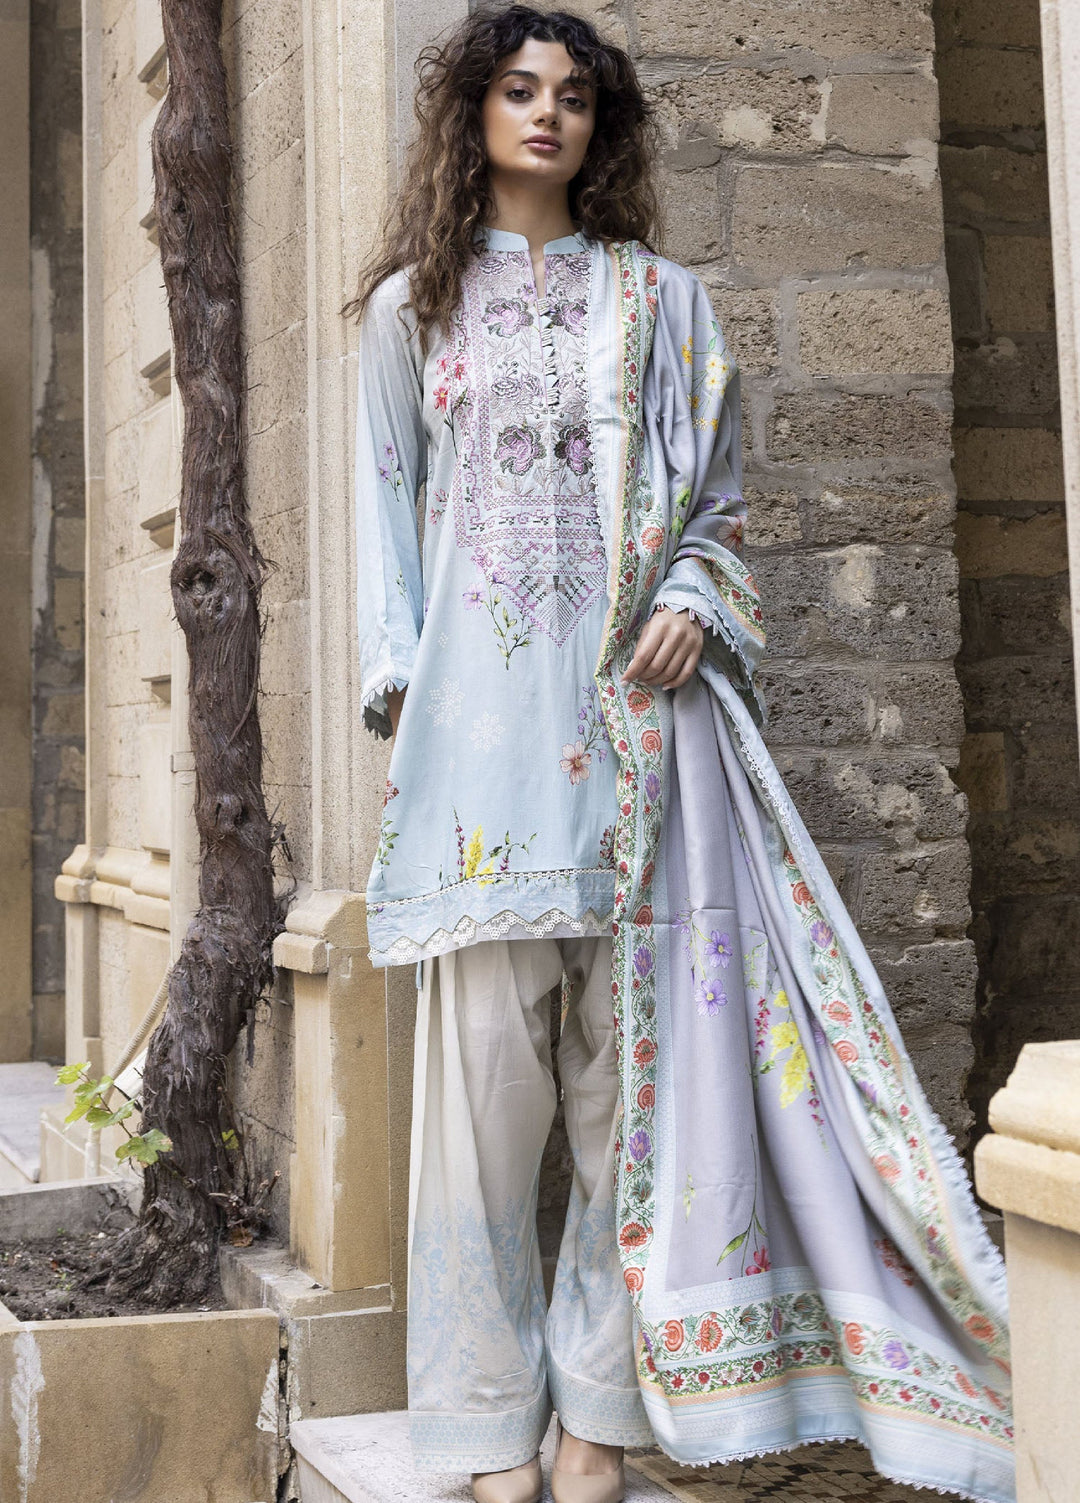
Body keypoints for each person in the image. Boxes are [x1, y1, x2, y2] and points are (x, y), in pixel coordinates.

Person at [347, 8, 1016, 1503]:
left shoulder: (664, 304)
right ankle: (481, 1424)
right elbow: (387, 539)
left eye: (574, 97)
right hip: (478, 765)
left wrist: (696, 604)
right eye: (518, 90)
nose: (547, 115)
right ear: (472, 115)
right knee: (479, 1108)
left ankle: (596, 1415)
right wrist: (404, 702)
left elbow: (715, 511)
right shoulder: (408, 312)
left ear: (604, 127)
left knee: (628, 1105)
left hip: (644, 753)